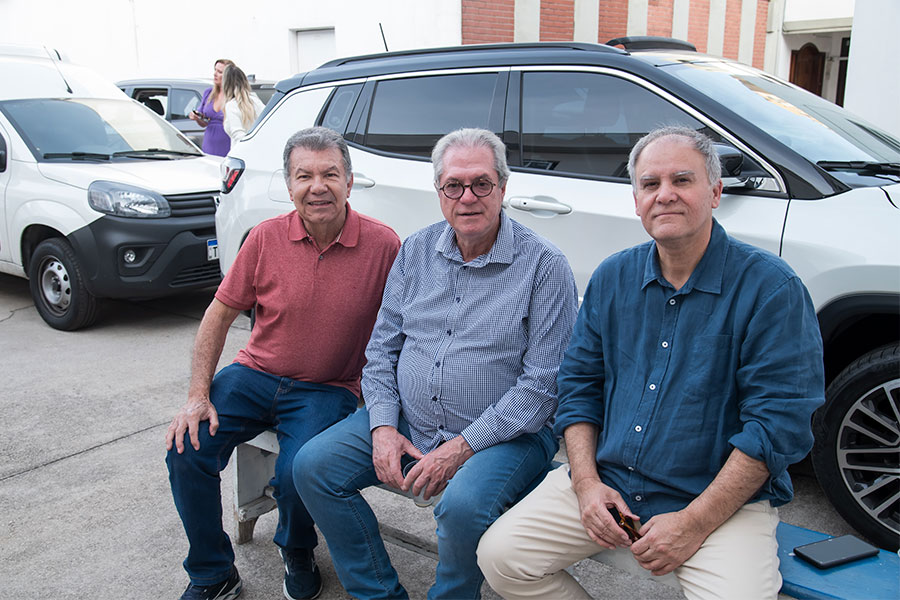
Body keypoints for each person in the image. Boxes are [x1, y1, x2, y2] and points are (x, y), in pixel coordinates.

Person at [477, 126, 826, 600]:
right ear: (636, 201)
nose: (665, 195)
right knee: (502, 559)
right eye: (650, 184)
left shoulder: (772, 289)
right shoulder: (613, 277)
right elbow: (578, 386)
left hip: (717, 502)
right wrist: (586, 485)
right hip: (610, 483)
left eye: (682, 180)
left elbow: (777, 426)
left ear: (715, 193)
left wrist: (694, 522)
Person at [294, 128, 579, 600]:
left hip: (507, 436)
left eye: (481, 184)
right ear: (439, 191)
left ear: (503, 188)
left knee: (461, 508)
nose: (467, 197)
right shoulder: (416, 251)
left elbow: (543, 387)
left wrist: (461, 448)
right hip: (413, 418)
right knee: (313, 468)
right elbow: (381, 352)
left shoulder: (544, 266)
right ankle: (378, 594)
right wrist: (382, 427)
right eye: (454, 185)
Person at [165, 126, 400, 600]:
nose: (317, 187)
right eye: (304, 176)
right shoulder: (265, 238)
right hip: (253, 375)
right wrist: (196, 396)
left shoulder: (383, 246)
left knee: (298, 472)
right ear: (289, 185)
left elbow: (403, 330)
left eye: (329, 174)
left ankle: (296, 548)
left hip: (327, 387)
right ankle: (213, 572)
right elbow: (217, 316)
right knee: (187, 448)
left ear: (349, 182)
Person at [188, 58, 233, 157]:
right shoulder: (209, 93)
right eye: (215, 70)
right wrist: (197, 117)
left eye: (220, 72)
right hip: (209, 142)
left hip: (228, 142)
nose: (215, 74)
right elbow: (204, 123)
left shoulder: (234, 96)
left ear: (228, 76)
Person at [221, 64, 266, 146]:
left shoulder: (231, 105)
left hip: (242, 151)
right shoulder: (256, 101)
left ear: (226, 84)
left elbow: (238, 134)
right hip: (259, 148)